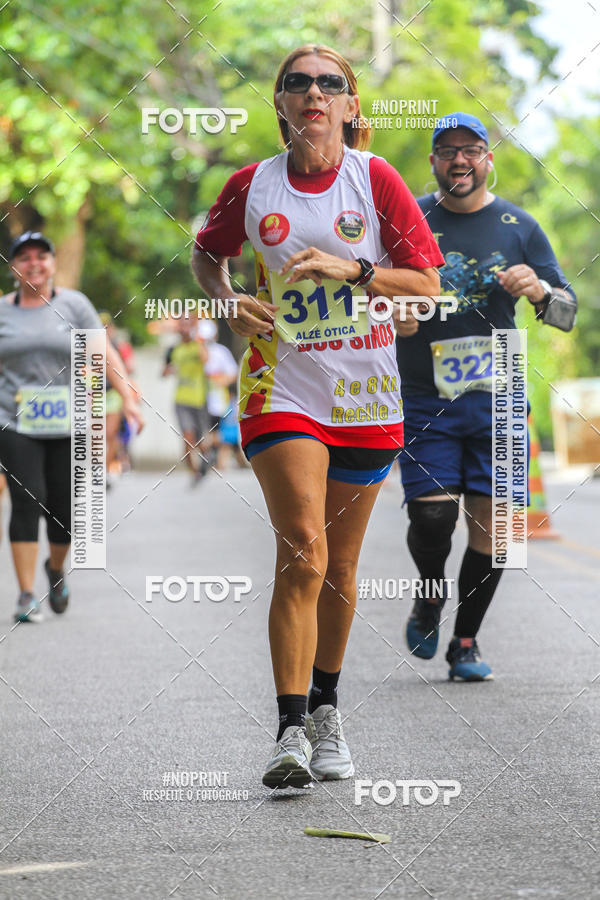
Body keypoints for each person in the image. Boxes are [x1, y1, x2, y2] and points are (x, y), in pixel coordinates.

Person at [193, 44, 443, 789]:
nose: (313, 93)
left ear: (350, 104)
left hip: (366, 393)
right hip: (284, 386)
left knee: (339, 568)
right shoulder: (253, 185)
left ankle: (329, 707)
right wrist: (226, 300)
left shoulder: (376, 180)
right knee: (302, 546)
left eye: (329, 83)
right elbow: (208, 256)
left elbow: (426, 286)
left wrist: (357, 269)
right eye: (297, 82)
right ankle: (291, 728)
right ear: (280, 102)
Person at [395, 113, 576, 681]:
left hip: (499, 396)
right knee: (431, 519)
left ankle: (465, 641)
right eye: (447, 150)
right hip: (425, 396)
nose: (459, 160)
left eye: (471, 149)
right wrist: (390, 314)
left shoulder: (518, 225)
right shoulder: (409, 219)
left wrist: (542, 290)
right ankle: (429, 594)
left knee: (498, 535)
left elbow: (567, 315)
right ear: (433, 162)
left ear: (487, 158)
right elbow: (371, 290)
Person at [0, 231, 143, 622]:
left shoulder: (75, 305)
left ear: (52, 263)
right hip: (13, 422)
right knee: (26, 500)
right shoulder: (3, 313)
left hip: (67, 421)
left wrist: (128, 397)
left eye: (41, 256)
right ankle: (26, 594)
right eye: (24, 257)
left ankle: (55, 569)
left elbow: (102, 353)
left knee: (62, 509)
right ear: (14, 267)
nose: (34, 263)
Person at [162, 316, 209, 483]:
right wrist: (169, 370)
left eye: (187, 324)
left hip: (199, 399)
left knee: (202, 440)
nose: (184, 328)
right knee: (187, 437)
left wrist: (196, 336)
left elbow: (205, 359)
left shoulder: (198, 345)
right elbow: (164, 372)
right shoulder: (174, 350)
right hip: (181, 400)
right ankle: (195, 472)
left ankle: (205, 459)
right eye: (181, 324)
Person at [197, 318, 238, 466]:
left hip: (217, 398)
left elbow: (232, 372)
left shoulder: (221, 351)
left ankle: (215, 457)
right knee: (202, 428)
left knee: (217, 428)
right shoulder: (193, 351)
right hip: (198, 397)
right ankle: (210, 455)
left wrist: (220, 381)